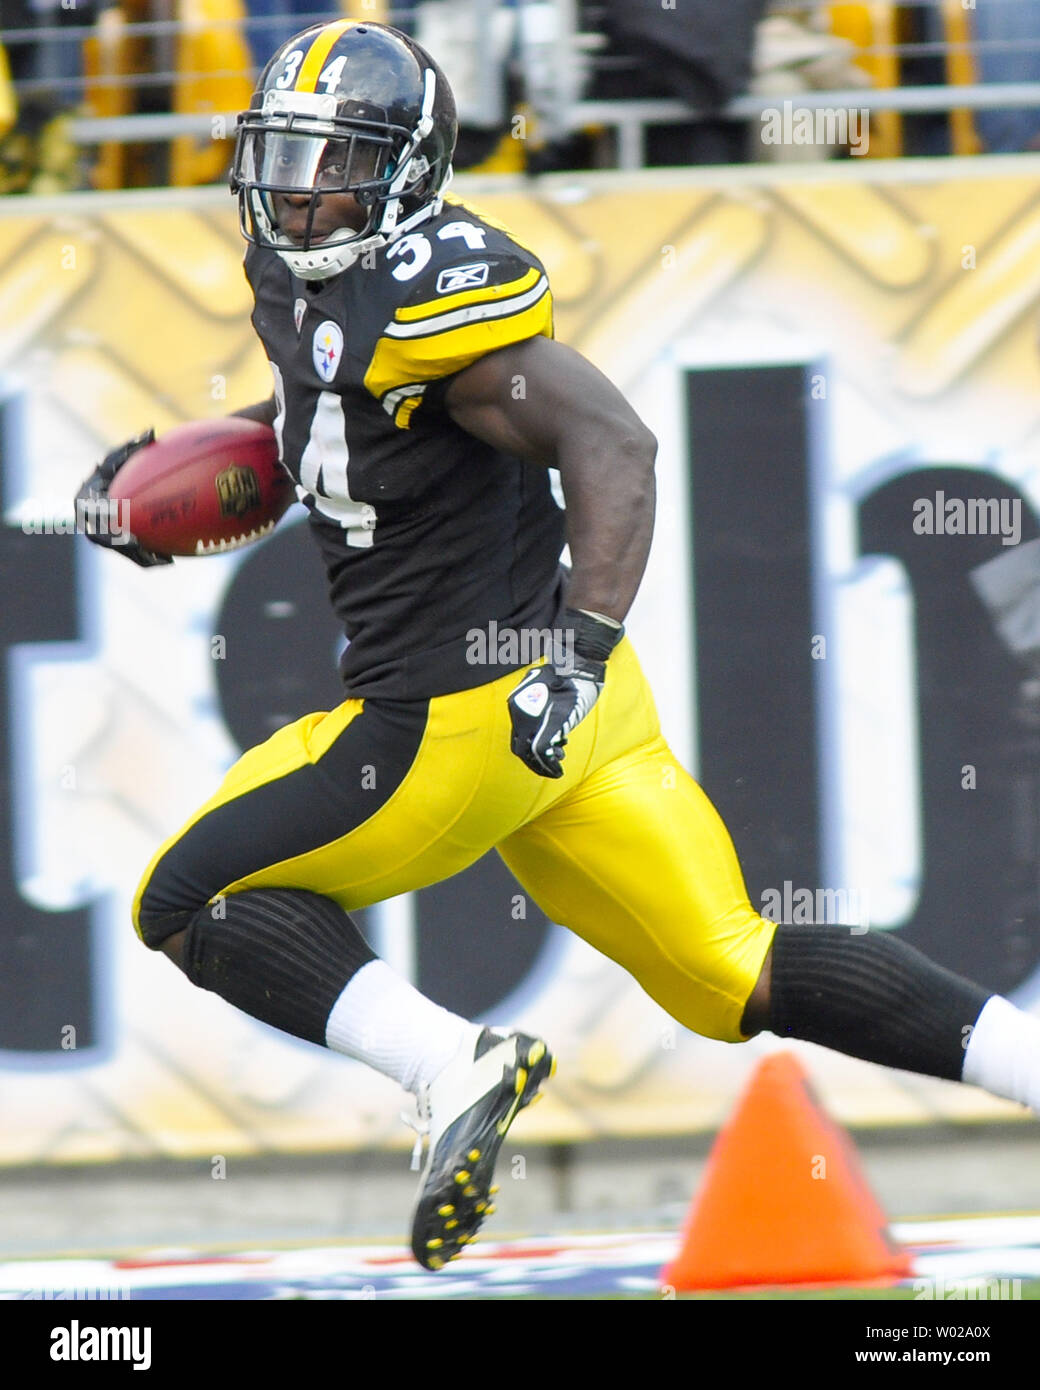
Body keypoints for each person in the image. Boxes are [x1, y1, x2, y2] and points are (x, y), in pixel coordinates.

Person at [78, 18, 1040, 1271]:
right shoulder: (311, 284)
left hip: (453, 720)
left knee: (187, 893)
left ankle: (451, 1062)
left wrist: (582, 639)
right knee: (732, 969)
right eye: (287, 156)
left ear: (409, 172)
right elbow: (330, 420)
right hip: (579, 723)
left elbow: (614, 444)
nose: (299, 193)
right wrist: (187, 481)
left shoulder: (439, 297)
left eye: (335, 164)